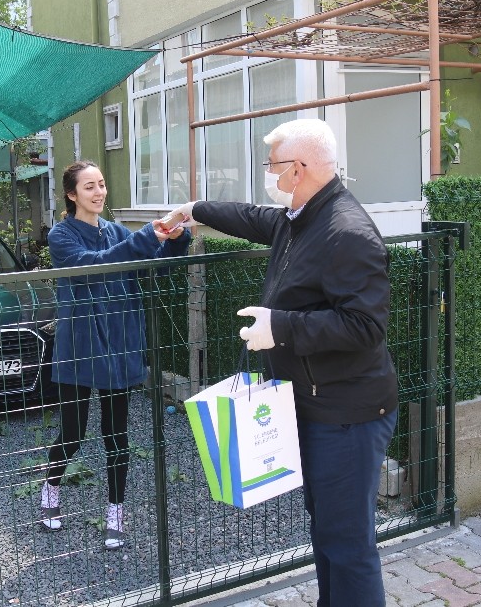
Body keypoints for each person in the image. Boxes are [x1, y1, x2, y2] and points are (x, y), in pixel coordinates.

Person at [160, 119, 398, 606]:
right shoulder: (301, 217)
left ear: (298, 168)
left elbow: (366, 327)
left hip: (348, 414)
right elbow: (253, 218)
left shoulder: (346, 232)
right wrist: (194, 210)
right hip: (316, 404)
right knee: (327, 532)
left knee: (348, 545)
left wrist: (282, 327)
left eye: (272, 166)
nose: (268, 174)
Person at [42, 160, 191, 550]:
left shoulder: (117, 232)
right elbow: (95, 266)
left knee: (117, 435)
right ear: (72, 194)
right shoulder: (61, 236)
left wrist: (175, 240)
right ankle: (51, 488)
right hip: (80, 346)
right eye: (89, 186)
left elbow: (152, 268)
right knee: (72, 434)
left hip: (119, 344)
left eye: (102, 184)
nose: (99, 192)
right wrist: (146, 237)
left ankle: (115, 512)